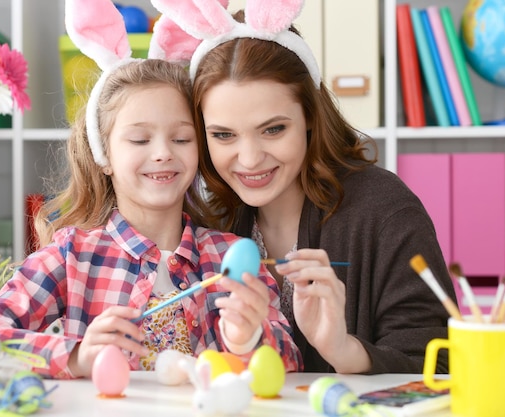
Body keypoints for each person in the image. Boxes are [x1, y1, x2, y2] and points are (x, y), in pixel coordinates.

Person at [0, 0, 301, 379]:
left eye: (181, 138)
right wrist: (78, 356)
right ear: (105, 155)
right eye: (139, 140)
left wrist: (248, 339)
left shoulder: (228, 255)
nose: (163, 154)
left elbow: (291, 362)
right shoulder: (71, 256)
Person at [152, 0, 455, 374]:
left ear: (310, 115)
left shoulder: (385, 210)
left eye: (273, 129)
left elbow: (438, 364)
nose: (249, 159)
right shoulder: (209, 223)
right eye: (224, 135)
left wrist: (343, 350)